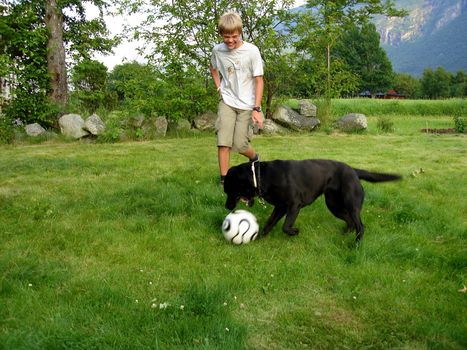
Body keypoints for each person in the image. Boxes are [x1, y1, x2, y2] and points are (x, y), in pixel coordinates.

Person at [209, 11, 264, 185]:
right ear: (221, 34)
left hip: (247, 104)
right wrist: (219, 86)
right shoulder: (218, 50)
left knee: (240, 145)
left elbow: (259, 80)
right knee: (223, 142)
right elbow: (213, 67)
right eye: (226, 37)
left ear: (240, 32)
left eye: (234, 36)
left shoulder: (251, 51)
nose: (230, 40)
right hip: (227, 101)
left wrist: (256, 108)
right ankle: (224, 180)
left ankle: (255, 158)